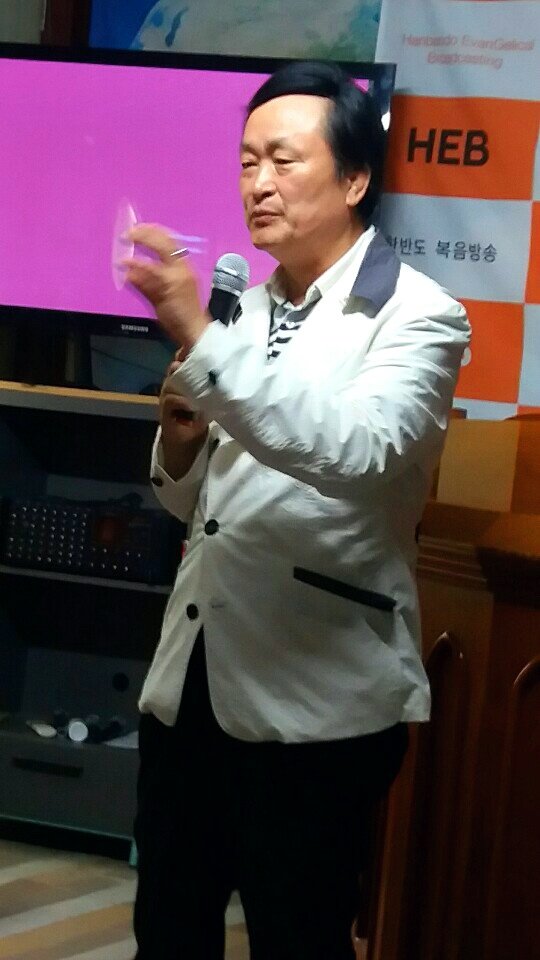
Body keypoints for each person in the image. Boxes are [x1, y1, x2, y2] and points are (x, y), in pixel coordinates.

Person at [124, 61, 471, 960]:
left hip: (315, 700)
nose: (258, 183)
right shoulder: (243, 308)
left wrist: (201, 341)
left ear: (354, 181)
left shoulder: (419, 316)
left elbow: (356, 451)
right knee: (167, 932)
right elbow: (199, 508)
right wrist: (181, 446)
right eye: (247, 162)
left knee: (299, 940)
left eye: (283, 159)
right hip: (192, 686)